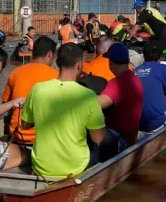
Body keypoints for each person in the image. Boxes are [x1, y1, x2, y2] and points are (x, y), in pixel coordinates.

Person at [19, 44, 105, 178]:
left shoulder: (37, 89)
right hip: (76, 167)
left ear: (57, 63)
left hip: (42, 166)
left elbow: (25, 125)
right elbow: (98, 138)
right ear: (79, 65)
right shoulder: (88, 95)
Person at [1, 36, 58, 145]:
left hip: (17, 136)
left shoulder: (15, 72)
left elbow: (5, 103)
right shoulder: (57, 76)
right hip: (42, 138)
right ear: (50, 54)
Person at [96, 43, 144, 160]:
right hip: (130, 137)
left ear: (111, 63)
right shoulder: (134, 78)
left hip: (120, 141)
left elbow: (97, 104)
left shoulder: (118, 83)